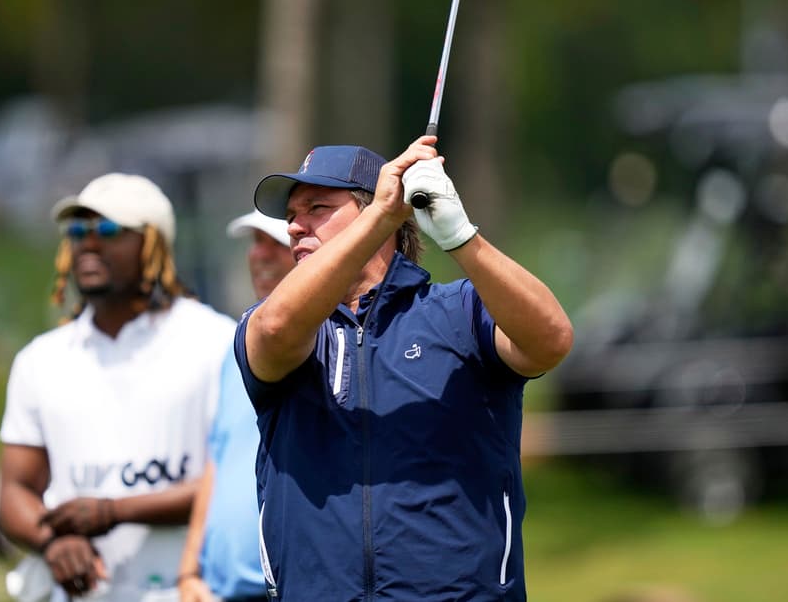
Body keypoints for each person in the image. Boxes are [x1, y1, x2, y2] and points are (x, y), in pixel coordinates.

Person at [236, 137, 574, 601]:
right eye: (292, 214)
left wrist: (459, 236)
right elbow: (275, 330)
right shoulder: (276, 323)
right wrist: (381, 214)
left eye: (317, 208)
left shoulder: (460, 312)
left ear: (387, 217)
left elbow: (551, 340)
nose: (294, 227)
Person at [0, 173, 236, 600]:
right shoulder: (40, 359)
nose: (89, 243)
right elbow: (15, 491)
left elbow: (236, 481)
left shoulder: (217, 343)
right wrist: (52, 542)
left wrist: (114, 512)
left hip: (187, 591)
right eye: (78, 230)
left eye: (109, 229)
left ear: (153, 243)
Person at [177, 210, 294, 602]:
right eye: (256, 242)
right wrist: (189, 570)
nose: (260, 254)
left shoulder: (330, 343)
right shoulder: (236, 347)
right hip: (217, 591)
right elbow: (220, 458)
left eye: (276, 243)